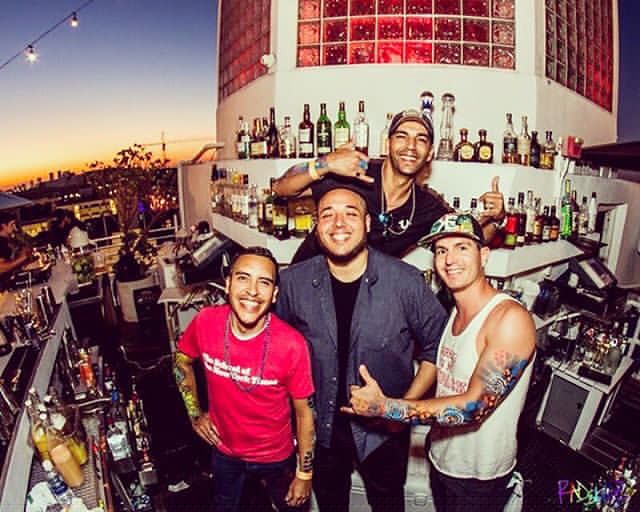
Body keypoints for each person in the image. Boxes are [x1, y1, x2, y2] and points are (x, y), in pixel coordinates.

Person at [343, 212, 537, 512]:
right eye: (441, 250)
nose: (450, 259)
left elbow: (473, 408)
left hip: (478, 478)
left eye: (462, 247)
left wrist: (387, 408)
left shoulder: (510, 319)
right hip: (442, 460)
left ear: (484, 255)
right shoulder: (456, 313)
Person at [274, 186, 447, 512]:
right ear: (316, 226)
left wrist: (400, 412)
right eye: (328, 215)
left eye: (350, 213)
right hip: (320, 430)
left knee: (388, 505)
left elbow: (438, 345)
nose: (339, 223)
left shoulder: (405, 281)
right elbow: (274, 350)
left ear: (367, 224)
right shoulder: (294, 283)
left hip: (384, 431)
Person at [174, 246, 316, 512]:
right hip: (224, 451)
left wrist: (304, 474)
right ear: (228, 284)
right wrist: (194, 414)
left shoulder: (292, 345)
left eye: (264, 282)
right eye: (243, 278)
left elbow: (305, 413)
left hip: (275, 456)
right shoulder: (205, 322)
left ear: (274, 294)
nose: (252, 291)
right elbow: (181, 361)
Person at [272, 108, 505, 263]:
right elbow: (281, 188)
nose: (410, 146)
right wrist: (325, 163)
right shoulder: (354, 172)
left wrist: (496, 219)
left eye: (421, 139)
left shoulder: (427, 206)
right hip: (307, 284)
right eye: (402, 136)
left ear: (430, 153)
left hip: (363, 297)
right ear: (388, 143)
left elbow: (468, 238)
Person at [0, 211, 33, 287]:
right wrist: (23, 257)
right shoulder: (1, 243)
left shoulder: (7, 240)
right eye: (12, 224)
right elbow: (1, 268)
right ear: (4, 226)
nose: (15, 227)